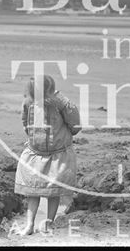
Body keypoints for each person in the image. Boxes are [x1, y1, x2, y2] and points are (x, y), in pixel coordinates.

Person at [14, 75, 81, 235]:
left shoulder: (61, 103)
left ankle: (48, 224)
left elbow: (75, 124)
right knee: (32, 189)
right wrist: (31, 134)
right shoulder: (28, 102)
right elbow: (25, 121)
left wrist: (67, 136)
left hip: (57, 153)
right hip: (35, 152)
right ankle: (30, 225)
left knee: (53, 190)